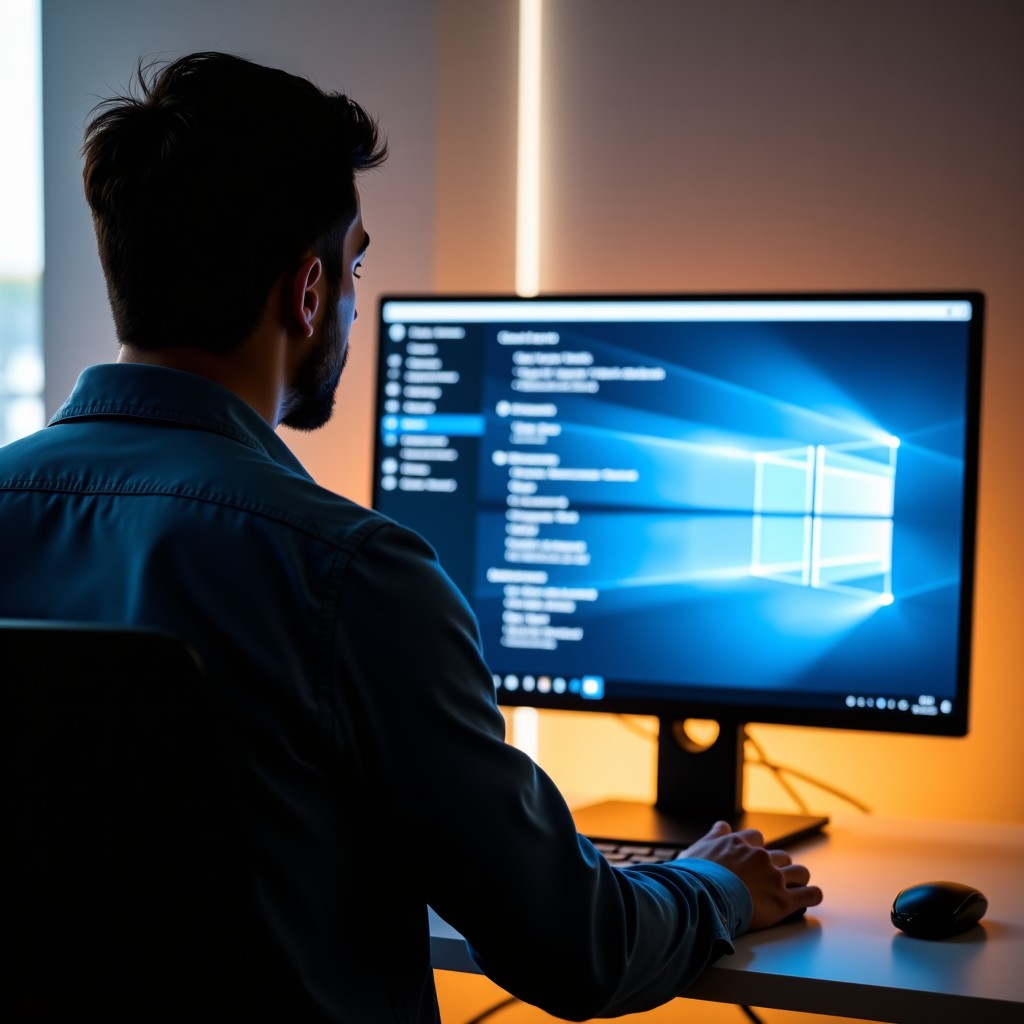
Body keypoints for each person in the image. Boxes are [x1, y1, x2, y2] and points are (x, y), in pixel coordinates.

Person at [0, 51, 821, 1022]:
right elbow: (573, 949)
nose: (350, 297)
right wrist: (719, 883)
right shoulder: (350, 574)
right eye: (354, 265)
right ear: (308, 292)